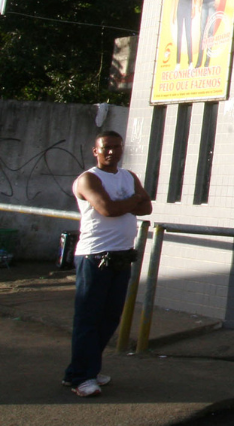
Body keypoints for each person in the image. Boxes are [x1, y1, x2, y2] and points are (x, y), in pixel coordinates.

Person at [63, 131, 151, 398]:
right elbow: (107, 209)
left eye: (116, 147)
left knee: (110, 318)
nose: (111, 152)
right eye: (106, 148)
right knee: (88, 319)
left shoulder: (128, 176)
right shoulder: (88, 179)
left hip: (122, 255)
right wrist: (131, 201)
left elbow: (146, 207)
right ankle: (81, 377)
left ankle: (86, 368)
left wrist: (129, 202)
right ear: (95, 151)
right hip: (94, 257)